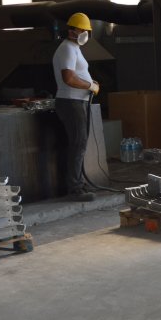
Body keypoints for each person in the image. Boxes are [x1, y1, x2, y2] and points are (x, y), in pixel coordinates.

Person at [53, 12, 100, 202]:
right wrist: (89, 85)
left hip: (77, 102)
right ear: (71, 31)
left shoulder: (74, 48)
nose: (84, 34)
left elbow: (77, 74)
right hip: (71, 102)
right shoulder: (67, 49)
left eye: (86, 31)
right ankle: (75, 189)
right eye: (82, 30)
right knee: (78, 144)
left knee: (79, 144)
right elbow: (69, 78)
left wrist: (91, 82)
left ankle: (78, 182)